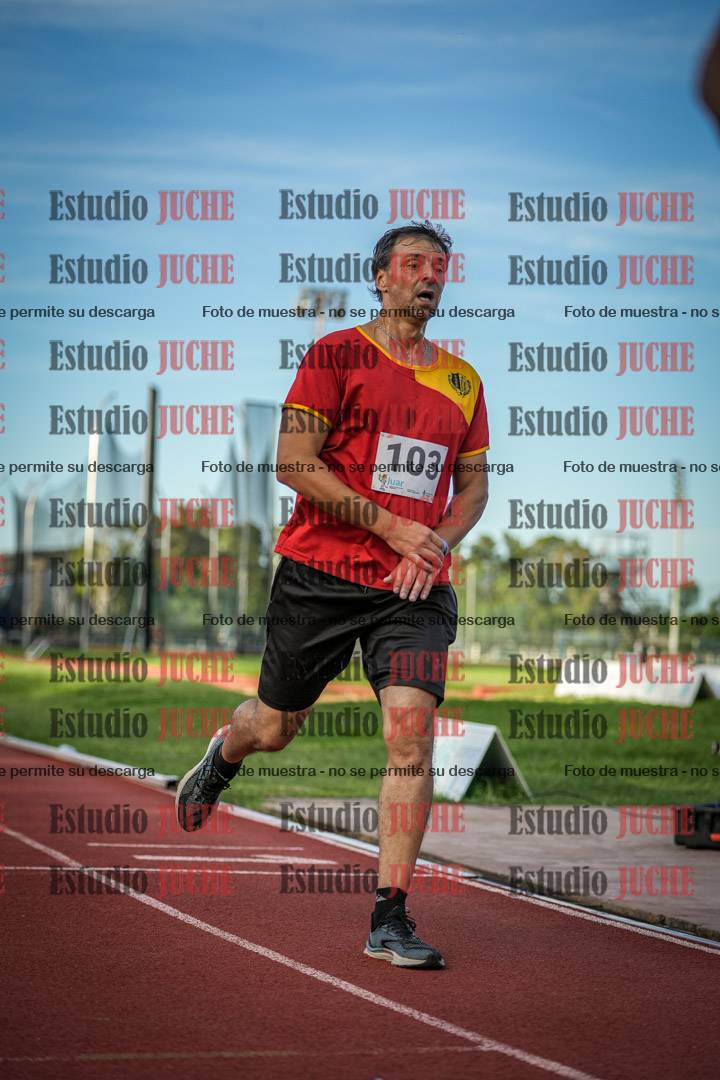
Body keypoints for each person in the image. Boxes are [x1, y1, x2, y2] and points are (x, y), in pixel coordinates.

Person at [176, 220, 490, 969]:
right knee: (276, 727)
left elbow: (474, 489)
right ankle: (227, 750)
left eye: (439, 266)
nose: (429, 275)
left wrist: (433, 544)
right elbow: (292, 460)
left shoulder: (464, 382)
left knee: (412, 734)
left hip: (412, 588)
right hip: (321, 574)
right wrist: (392, 526)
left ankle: (390, 915)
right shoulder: (334, 353)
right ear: (381, 278)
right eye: (413, 263)